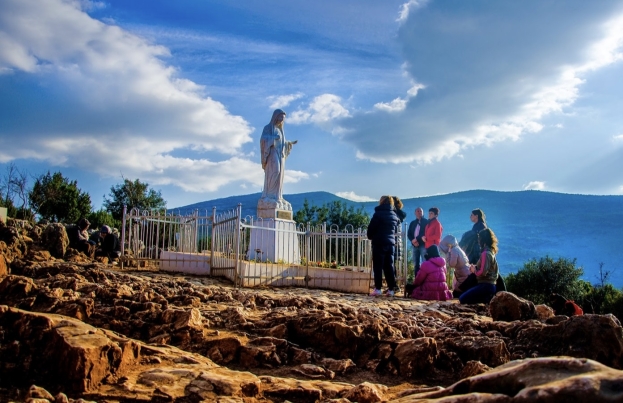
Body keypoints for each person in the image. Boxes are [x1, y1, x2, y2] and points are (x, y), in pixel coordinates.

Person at [259, 109, 297, 210]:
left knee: (280, 175)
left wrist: (288, 144)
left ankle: (277, 196)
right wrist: (272, 138)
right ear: (275, 117)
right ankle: (268, 195)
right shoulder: (268, 128)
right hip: (272, 153)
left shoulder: (281, 130)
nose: (281, 120)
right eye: (280, 118)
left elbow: (282, 142)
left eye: (283, 119)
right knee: (275, 171)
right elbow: (263, 140)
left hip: (281, 155)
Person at [367, 195, 400, 297]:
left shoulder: (378, 214)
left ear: (381, 202)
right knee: (389, 266)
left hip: (379, 242)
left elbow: (371, 229)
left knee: (378, 266)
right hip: (390, 244)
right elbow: (395, 230)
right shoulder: (394, 215)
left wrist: (371, 236)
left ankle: (378, 288)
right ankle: (391, 289)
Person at [459, 228, 499, 304]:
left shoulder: (485, 254)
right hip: (490, 285)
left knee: (462, 298)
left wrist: (474, 270)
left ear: (482, 240)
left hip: (485, 285)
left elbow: (483, 272)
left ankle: (485, 299)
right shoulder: (490, 252)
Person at [407, 207, 428, 275]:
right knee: (416, 264)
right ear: (415, 213)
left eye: (420, 211)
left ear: (423, 213)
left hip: (423, 245)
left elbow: (425, 232)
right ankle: (417, 280)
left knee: (425, 263)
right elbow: (409, 233)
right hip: (414, 246)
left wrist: (417, 239)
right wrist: (413, 240)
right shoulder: (413, 223)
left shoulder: (426, 222)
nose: (419, 212)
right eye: (418, 211)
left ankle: (425, 280)